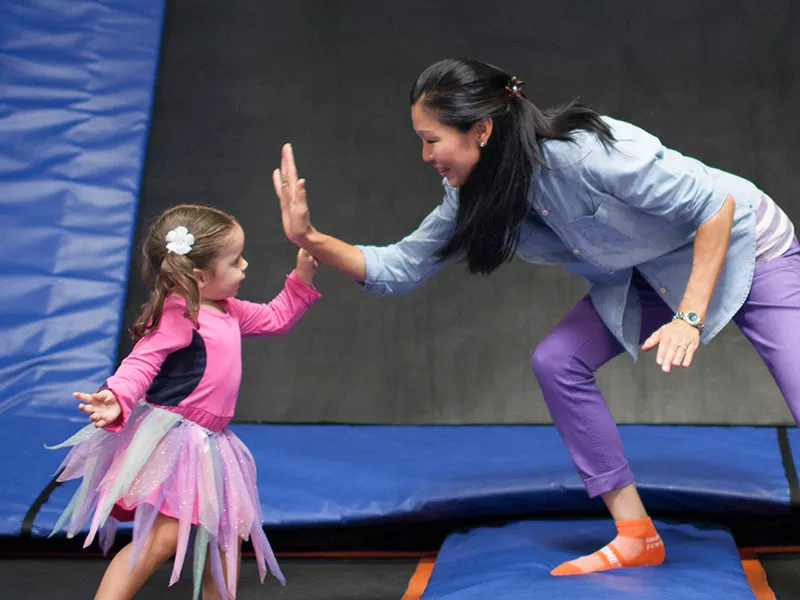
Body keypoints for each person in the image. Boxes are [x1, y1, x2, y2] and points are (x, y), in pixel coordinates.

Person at [272, 58, 798, 576]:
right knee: (557, 361)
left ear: (480, 130)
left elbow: (716, 207)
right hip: (654, 268)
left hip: (749, 246)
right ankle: (637, 535)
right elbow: (399, 268)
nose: (425, 154)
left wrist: (688, 315)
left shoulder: (586, 153)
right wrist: (311, 238)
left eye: (432, 139)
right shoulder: (472, 195)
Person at [48, 204, 321, 599]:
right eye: (235, 260)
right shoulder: (179, 314)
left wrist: (302, 278)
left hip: (212, 442)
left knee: (223, 538)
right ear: (199, 275)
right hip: (177, 440)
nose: (245, 266)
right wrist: (117, 395)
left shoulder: (227, 308)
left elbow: (275, 318)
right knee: (163, 538)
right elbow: (141, 362)